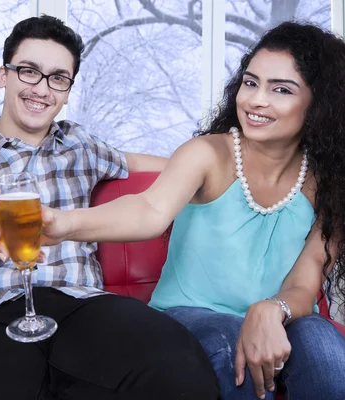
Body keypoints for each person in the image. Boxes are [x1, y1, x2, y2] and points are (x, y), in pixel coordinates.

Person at [0, 15, 215, 399]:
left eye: (58, 78)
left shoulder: (82, 144)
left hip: (83, 305)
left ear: (66, 91)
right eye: (29, 72)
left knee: (178, 363)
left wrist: (220, 164)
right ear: (3, 75)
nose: (42, 89)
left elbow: (168, 167)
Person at [36, 22, 345, 400]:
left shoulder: (330, 184)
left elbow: (303, 284)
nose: (256, 100)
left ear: (320, 104)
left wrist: (270, 310)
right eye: (251, 82)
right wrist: (63, 223)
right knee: (230, 342)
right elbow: (149, 209)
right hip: (192, 317)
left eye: (280, 89)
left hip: (281, 317)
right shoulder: (208, 154)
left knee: (322, 343)